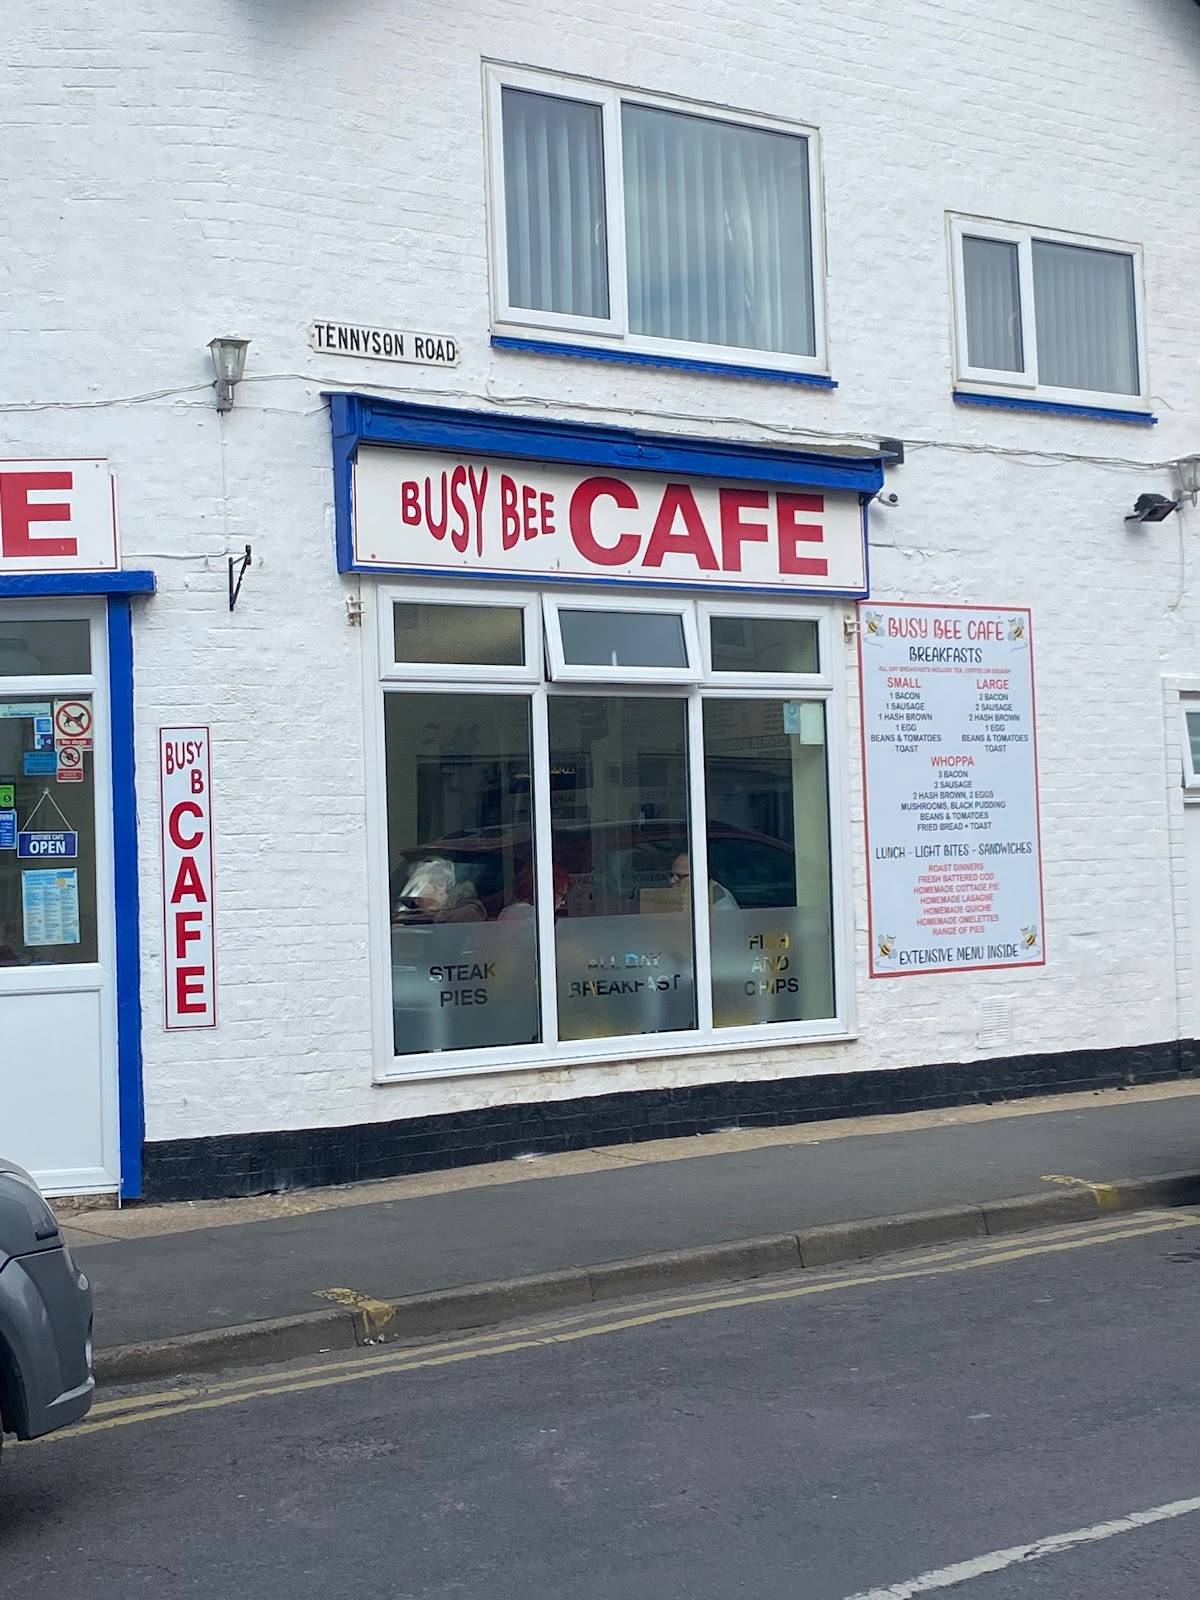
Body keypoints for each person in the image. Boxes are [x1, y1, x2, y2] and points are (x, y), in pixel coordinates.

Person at [393, 858, 486, 923]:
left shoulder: (464, 915)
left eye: (418, 889)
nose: (416, 900)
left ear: (440, 886)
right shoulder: (422, 916)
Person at [498, 863, 569, 921]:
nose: (563, 902)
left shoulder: (507, 911)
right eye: (562, 895)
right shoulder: (532, 915)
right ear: (547, 893)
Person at [670, 851, 739, 910]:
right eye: (671, 875)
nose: (672, 881)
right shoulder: (691, 894)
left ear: (698, 876)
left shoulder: (721, 904)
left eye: (679, 876)